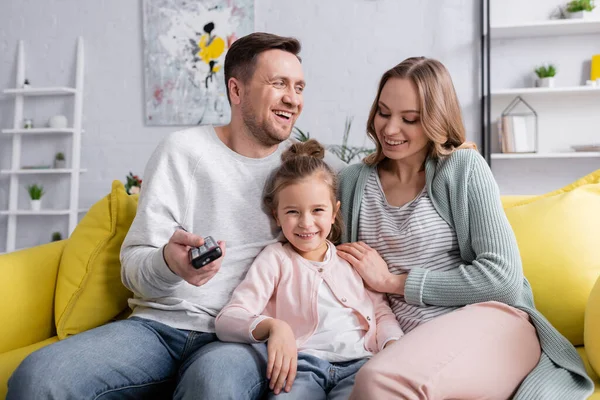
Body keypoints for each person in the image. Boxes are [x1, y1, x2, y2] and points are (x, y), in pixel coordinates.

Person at [8, 32, 343, 400]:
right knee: (38, 378)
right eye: (279, 83)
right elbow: (133, 266)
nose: (293, 98)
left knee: (213, 386)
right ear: (237, 90)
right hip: (157, 328)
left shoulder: (299, 172)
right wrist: (170, 263)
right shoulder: (183, 151)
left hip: (237, 337)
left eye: (298, 86)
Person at [336, 57, 594, 399]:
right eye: (383, 113)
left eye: (409, 119)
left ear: (435, 119)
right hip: (403, 342)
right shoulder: (353, 183)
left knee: (378, 382)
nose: (390, 129)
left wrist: (392, 282)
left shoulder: (463, 168)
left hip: (491, 324)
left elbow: (502, 277)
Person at [215, 139, 404, 399]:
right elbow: (228, 319)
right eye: (293, 211)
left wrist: (393, 345)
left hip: (362, 364)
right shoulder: (275, 259)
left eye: (317, 210)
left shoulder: (351, 259)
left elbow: (381, 314)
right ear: (276, 215)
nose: (306, 223)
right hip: (301, 368)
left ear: (334, 212)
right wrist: (274, 327)